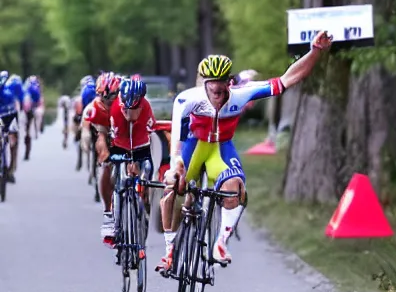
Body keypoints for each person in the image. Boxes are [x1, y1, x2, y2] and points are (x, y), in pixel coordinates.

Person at [156, 30, 333, 274]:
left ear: (230, 83)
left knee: (236, 187)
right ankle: (169, 251)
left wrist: (315, 51)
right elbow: (176, 139)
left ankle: (220, 243)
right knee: (172, 187)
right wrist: (176, 163)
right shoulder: (188, 100)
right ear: (204, 84)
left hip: (221, 148)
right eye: (212, 90)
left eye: (221, 90)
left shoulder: (242, 94)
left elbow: (287, 79)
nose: (217, 96)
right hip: (194, 146)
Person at [97, 77, 156, 248]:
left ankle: (143, 207)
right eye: (127, 108)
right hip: (120, 145)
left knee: (146, 175)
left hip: (141, 146)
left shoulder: (146, 107)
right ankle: (111, 215)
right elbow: (116, 136)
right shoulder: (115, 108)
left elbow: (149, 134)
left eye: (135, 108)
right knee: (113, 172)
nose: (130, 114)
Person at [82, 72, 122, 234]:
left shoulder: (126, 102)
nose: (106, 102)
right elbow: (87, 121)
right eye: (102, 98)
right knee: (106, 164)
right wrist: (85, 133)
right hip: (104, 130)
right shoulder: (94, 105)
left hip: (125, 131)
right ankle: (108, 211)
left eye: (111, 99)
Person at [0, 71, 19, 183]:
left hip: (9, 119)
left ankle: (10, 170)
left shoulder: (8, 94)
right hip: (4, 119)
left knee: (13, 143)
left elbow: (13, 113)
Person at [5, 74, 24, 178]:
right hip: (11, 118)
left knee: (12, 141)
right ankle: (12, 168)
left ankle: (11, 168)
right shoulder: (14, 96)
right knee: (13, 143)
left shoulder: (8, 91)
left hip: (9, 119)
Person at [21, 75, 42, 161]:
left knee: (27, 131)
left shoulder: (25, 87)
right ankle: (35, 132)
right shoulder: (35, 88)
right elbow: (38, 101)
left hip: (25, 112)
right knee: (29, 130)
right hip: (30, 112)